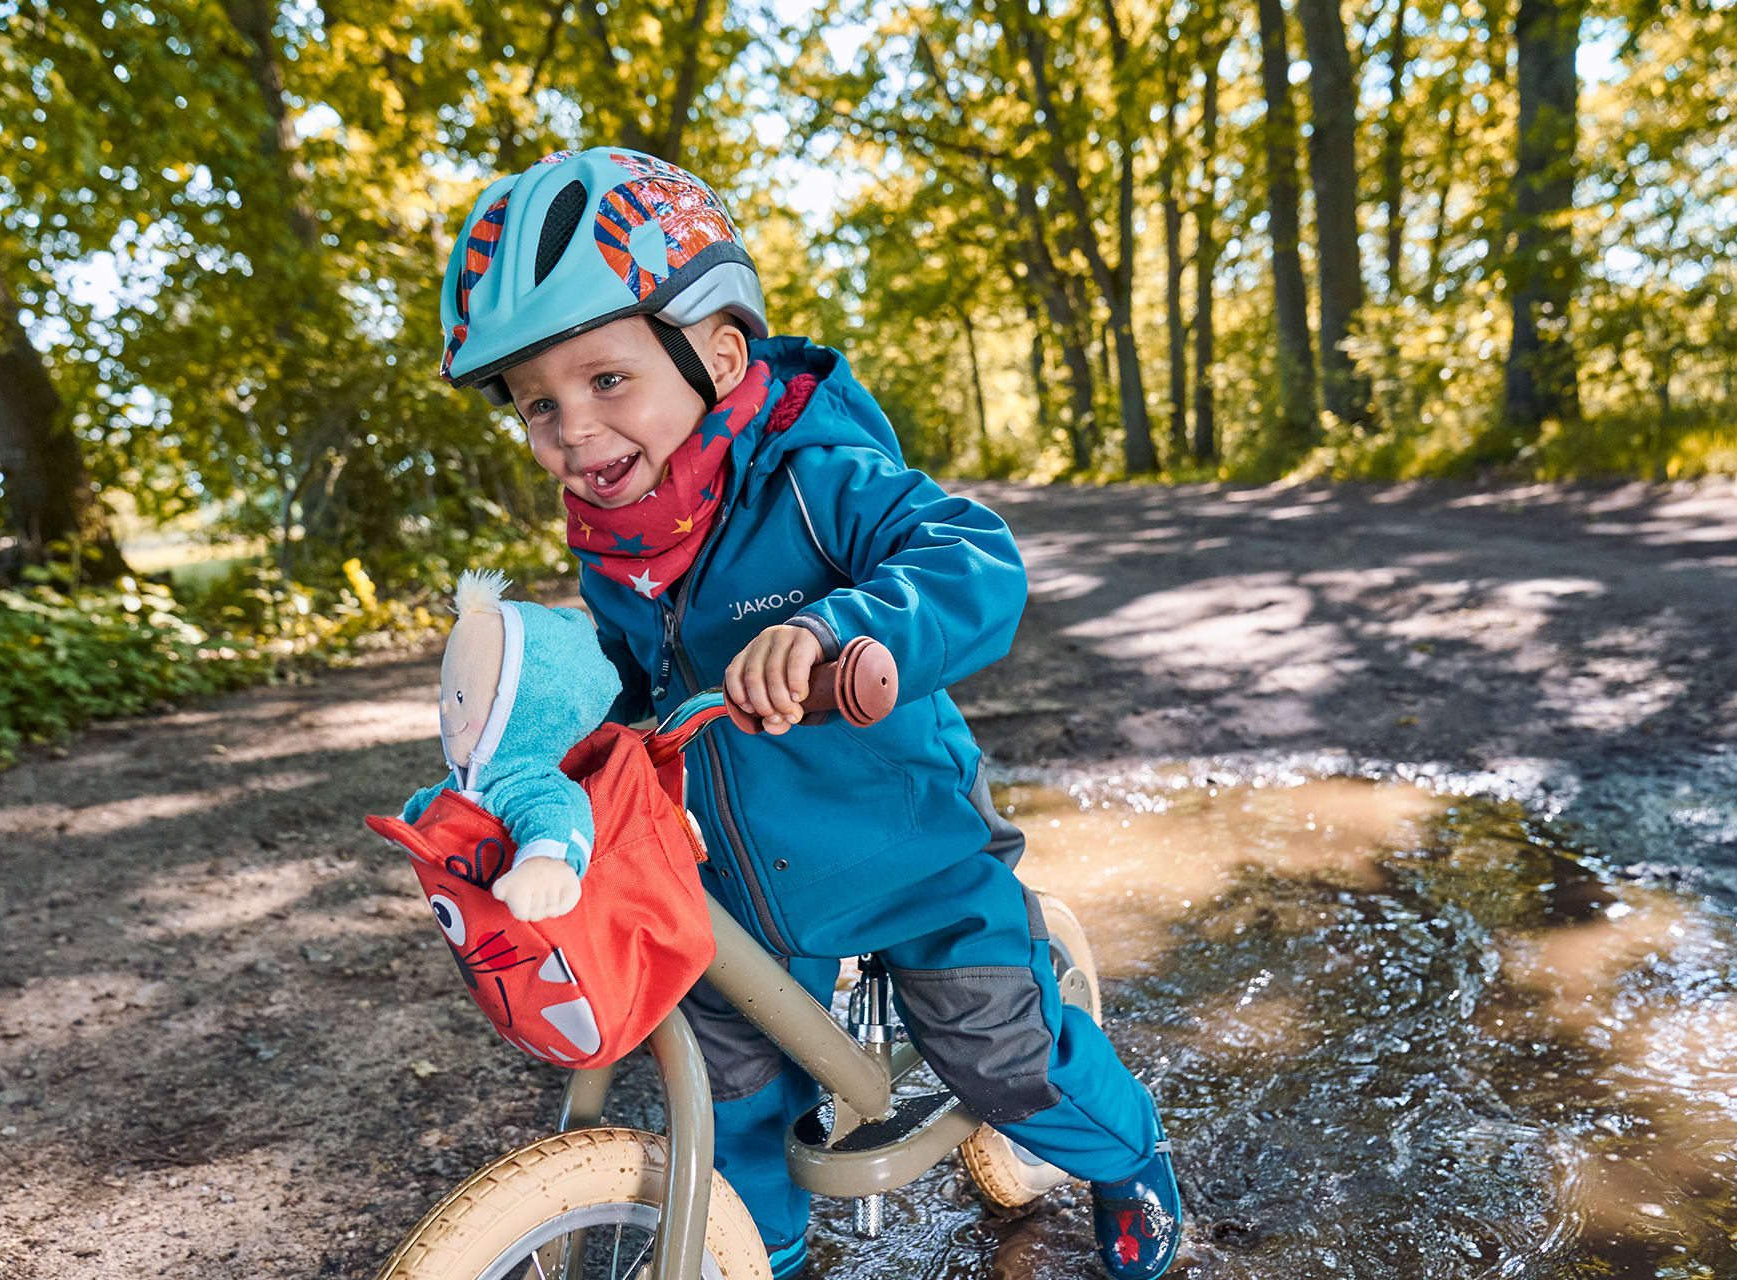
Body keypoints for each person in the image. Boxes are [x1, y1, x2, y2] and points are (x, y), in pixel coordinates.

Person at [434, 145, 1182, 1280]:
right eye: (539, 402)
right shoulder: (619, 554)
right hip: (738, 878)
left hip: (907, 843)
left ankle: (1129, 1156)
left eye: (606, 380)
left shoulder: (820, 479)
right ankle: (747, 1252)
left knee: (998, 1048)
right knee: (727, 1078)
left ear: (718, 351)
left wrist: (838, 630)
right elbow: (631, 694)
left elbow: (971, 558)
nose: (574, 428)